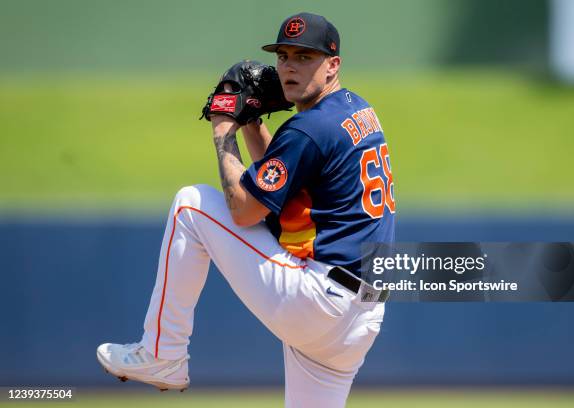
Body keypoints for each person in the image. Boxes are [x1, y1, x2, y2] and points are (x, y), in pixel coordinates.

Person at [97, 12, 395, 407]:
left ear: (333, 64)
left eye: (305, 57)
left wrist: (224, 127)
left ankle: (162, 353)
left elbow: (244, 211)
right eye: (284, 56)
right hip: (363, 316)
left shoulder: (309, 129)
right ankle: (162, 354)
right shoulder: (355, 110)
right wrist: (252, 122)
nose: (290, 66)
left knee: (192, 205)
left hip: (320, 300)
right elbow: (283, 188)